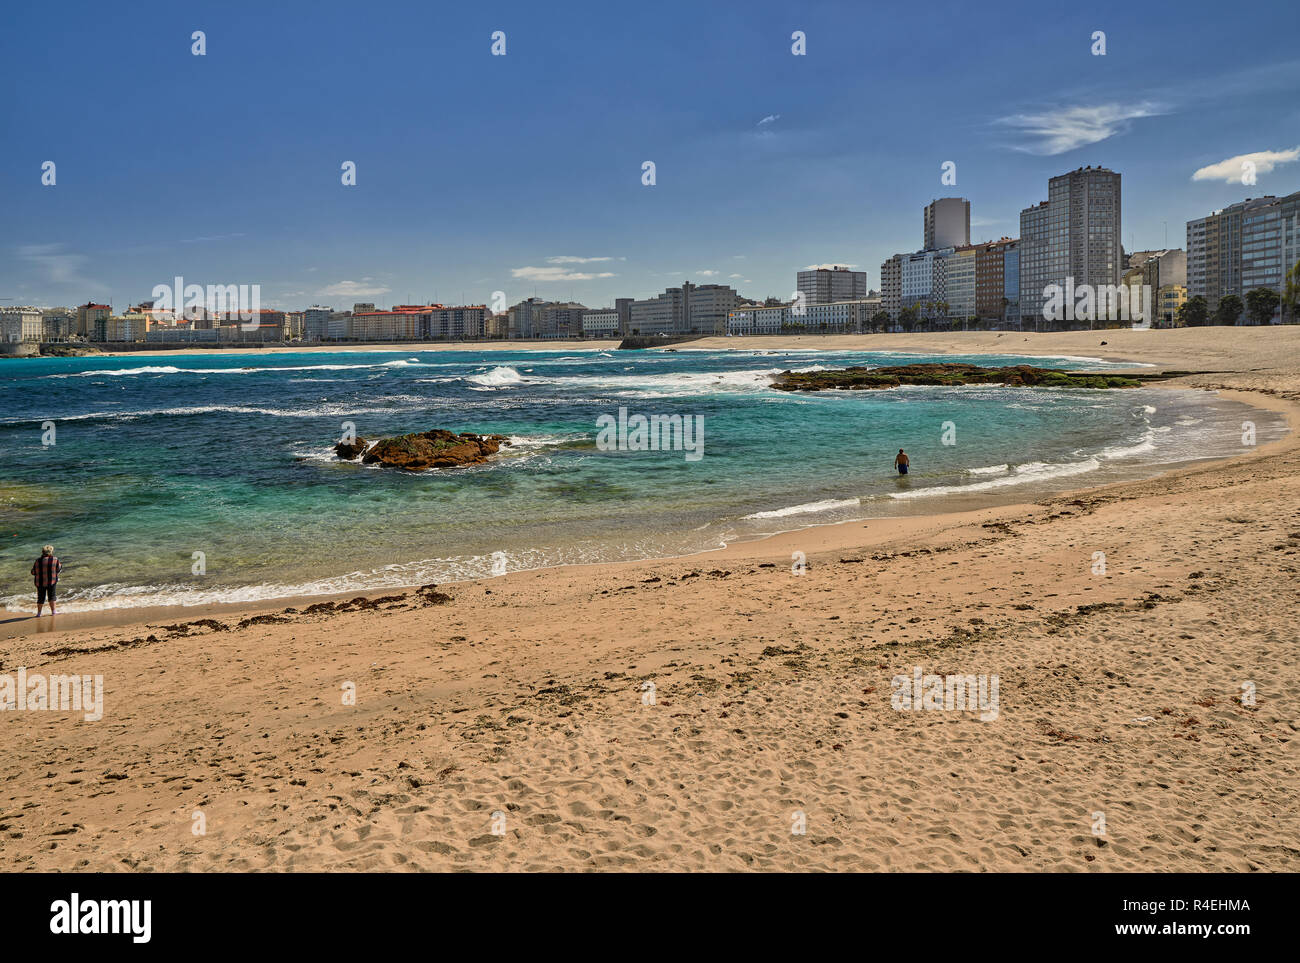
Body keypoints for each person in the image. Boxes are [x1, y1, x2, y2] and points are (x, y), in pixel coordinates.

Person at [31, 545, 61, 616]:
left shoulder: (38, 560)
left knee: (40, 598)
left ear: (42, 552)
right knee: (52, 596)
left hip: (40, 582)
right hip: (51, 581)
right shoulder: (55, 559)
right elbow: (59, 569)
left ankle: (39, 613)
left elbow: (33, 572)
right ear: (51, 552)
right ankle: (53, 612)